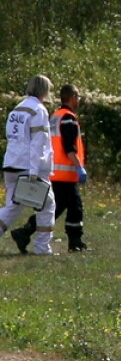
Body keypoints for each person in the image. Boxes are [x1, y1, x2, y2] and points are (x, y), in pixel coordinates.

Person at [10, 85, 88, 253]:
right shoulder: (68, 118)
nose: (79, 100)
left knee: (57, 207)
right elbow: (69, 147)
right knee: (74, 207)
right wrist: (79, 167)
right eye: (78, 97)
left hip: (55, 171)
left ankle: (25, 231)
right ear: (73, 97)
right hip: (66, 173)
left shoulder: (55, 116)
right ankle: (75, 243)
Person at [1, 75, 57, 255]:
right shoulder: (39, 110)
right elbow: (38, 143)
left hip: (11, 164)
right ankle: (42, 247)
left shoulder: (17, 109)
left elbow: (11, 137)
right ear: (44, 90)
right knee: (47, 205)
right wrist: (34, 172)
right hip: (29, 167)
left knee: (12, 207)